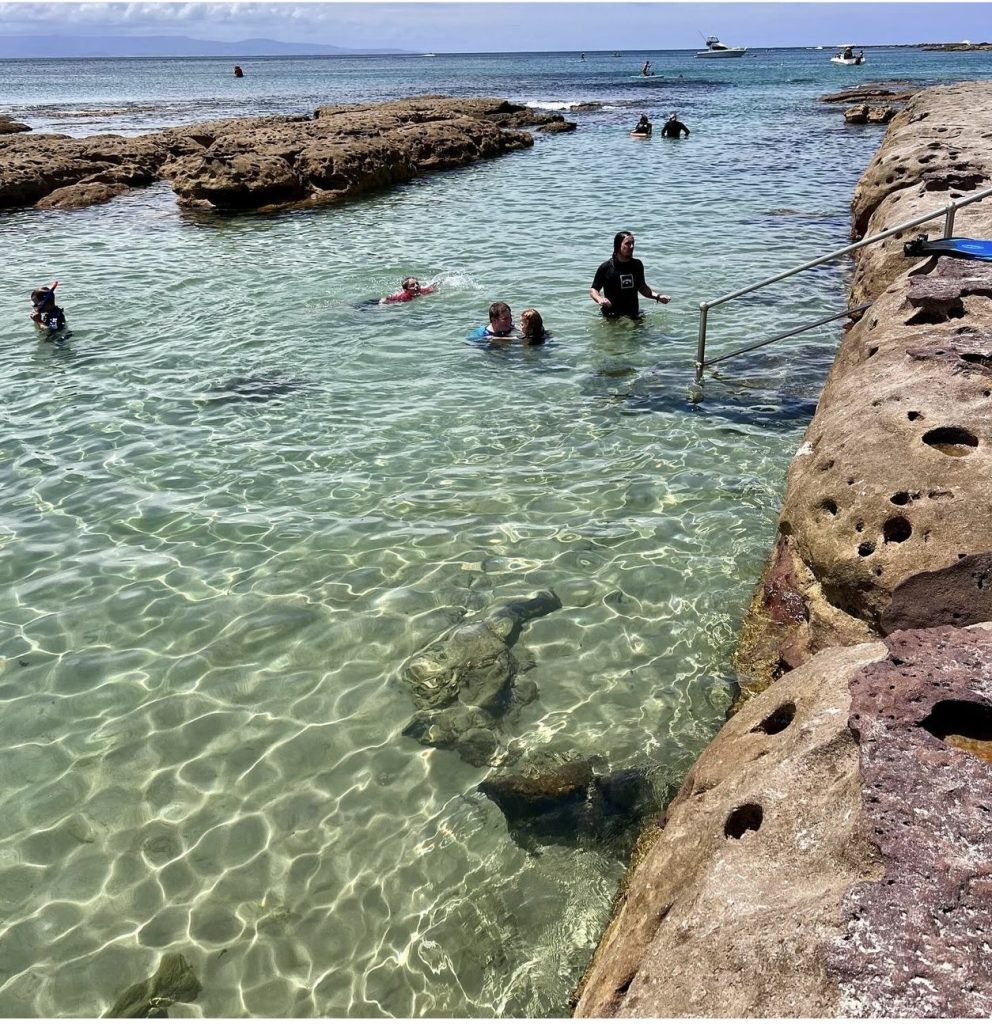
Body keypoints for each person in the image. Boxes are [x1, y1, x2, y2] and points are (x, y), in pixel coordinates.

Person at [589, 232, 670, 320]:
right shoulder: (606, 267)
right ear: (617, 246)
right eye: (627, 243)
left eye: (633, 243)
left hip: (634, 314)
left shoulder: (637, 265)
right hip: (612, 316)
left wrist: (658, 296)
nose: (631, 246)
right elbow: (594, 290)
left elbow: (642, 287)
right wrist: (600, 299)